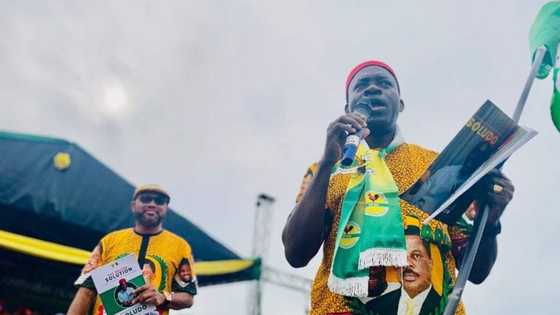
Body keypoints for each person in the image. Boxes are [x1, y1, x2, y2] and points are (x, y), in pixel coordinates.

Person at [282, 60, 514, 315]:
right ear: (348, 107)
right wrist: (328, 160)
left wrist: (490, 222)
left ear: (401, 104)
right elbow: (296, 254)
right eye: (362, 86)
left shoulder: (439, 167)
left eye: (384, 84)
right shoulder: (325, 170)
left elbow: (477, 271)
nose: (372, 89)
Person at [67, 184, 197, 315]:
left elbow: (188, 297)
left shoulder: (180, 247)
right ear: (133, 205)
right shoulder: (109, 241)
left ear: (166, 208)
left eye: (159, 201)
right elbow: (86, 290)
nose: (152, 204)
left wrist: (163, 297)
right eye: (145, 199)